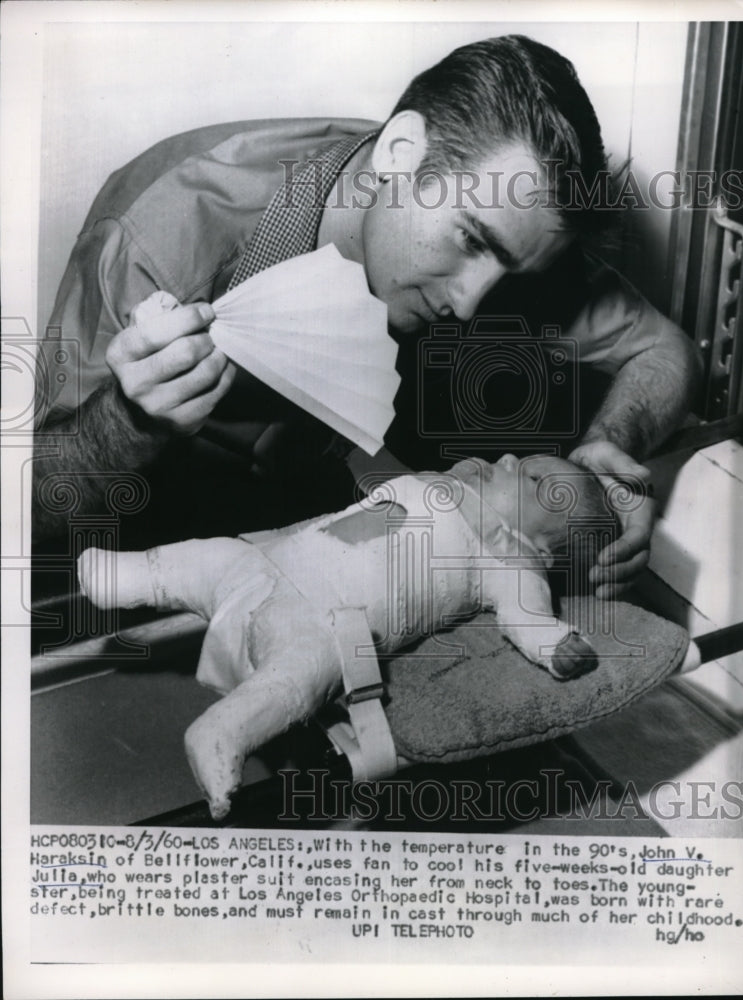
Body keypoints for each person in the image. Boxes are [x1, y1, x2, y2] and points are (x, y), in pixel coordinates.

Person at [33, 34, 701, 598]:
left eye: (509, 275)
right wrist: (127, 420)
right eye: (469, 240)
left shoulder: (508, 222)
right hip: (155, 571)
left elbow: (664, 351)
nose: (468, 307)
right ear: (399, 152)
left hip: (365, 560)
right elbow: (30, 510)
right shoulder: (161, 237)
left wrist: (609, 446)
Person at [77, 451, 617, 819]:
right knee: (214, 555)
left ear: (542, 549)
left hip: (319, 619)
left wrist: (553, 643)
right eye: (520, 461)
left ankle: (224, 732)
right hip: (268, 558)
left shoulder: (507, 562)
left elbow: (527, 616)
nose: (507, 462)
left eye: (535, 482)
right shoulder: (442, 486)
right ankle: (132, 575)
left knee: (305, 670)